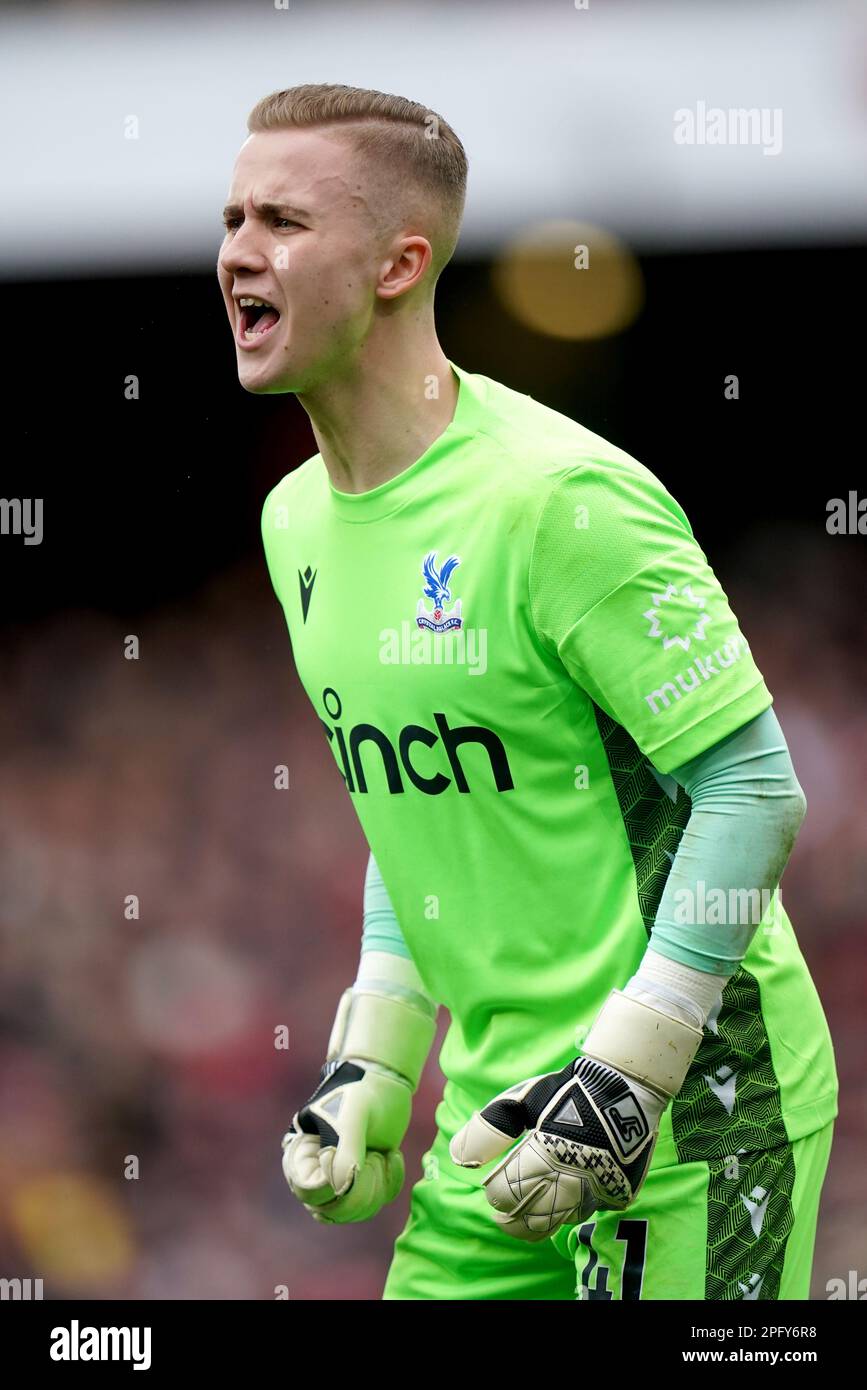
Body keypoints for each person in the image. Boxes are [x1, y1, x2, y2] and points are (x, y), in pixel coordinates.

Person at [218, 83, 838, 1300]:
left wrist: (637, 1068)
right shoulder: (293, 521)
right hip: (498, 1129)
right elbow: (419, 814)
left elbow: (756, 789)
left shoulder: (559, 501)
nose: (239, 251)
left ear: (400, 264)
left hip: (696, 1118)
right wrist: (378, 1058)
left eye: (283, 220)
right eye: (233, 216)